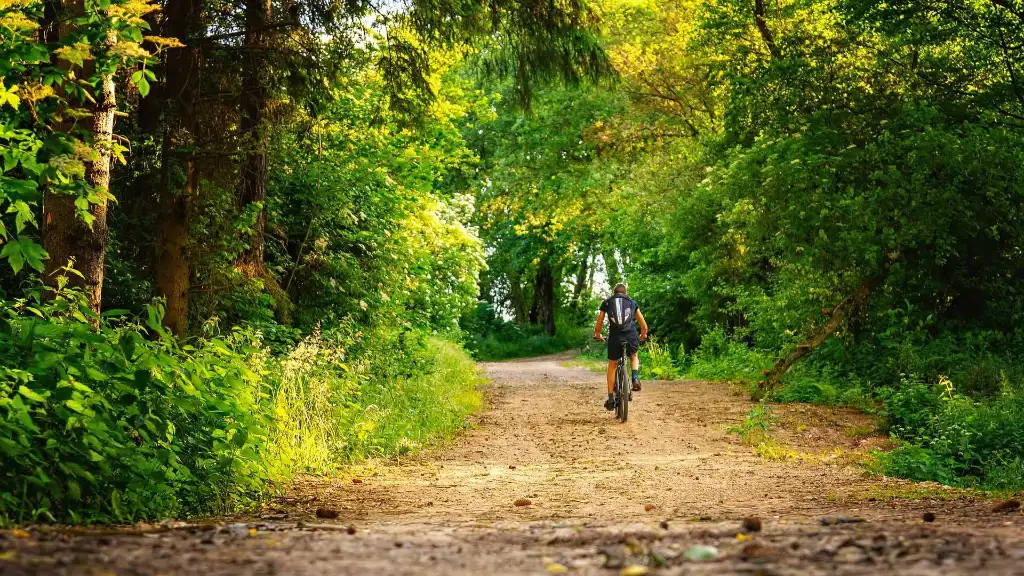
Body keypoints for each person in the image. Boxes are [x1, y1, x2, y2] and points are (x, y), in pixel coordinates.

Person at [593, 283, 648, 410]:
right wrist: (643, 334)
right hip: (630, 335)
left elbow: (600, 321)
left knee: (612, 364)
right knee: (633, 356)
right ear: (625, 293)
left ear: (614, 293)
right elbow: (643, 324)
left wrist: (597, 334)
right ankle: (634, 378)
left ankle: (611, 398)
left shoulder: (607, 302)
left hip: (615, 337)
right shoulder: (631, 302)